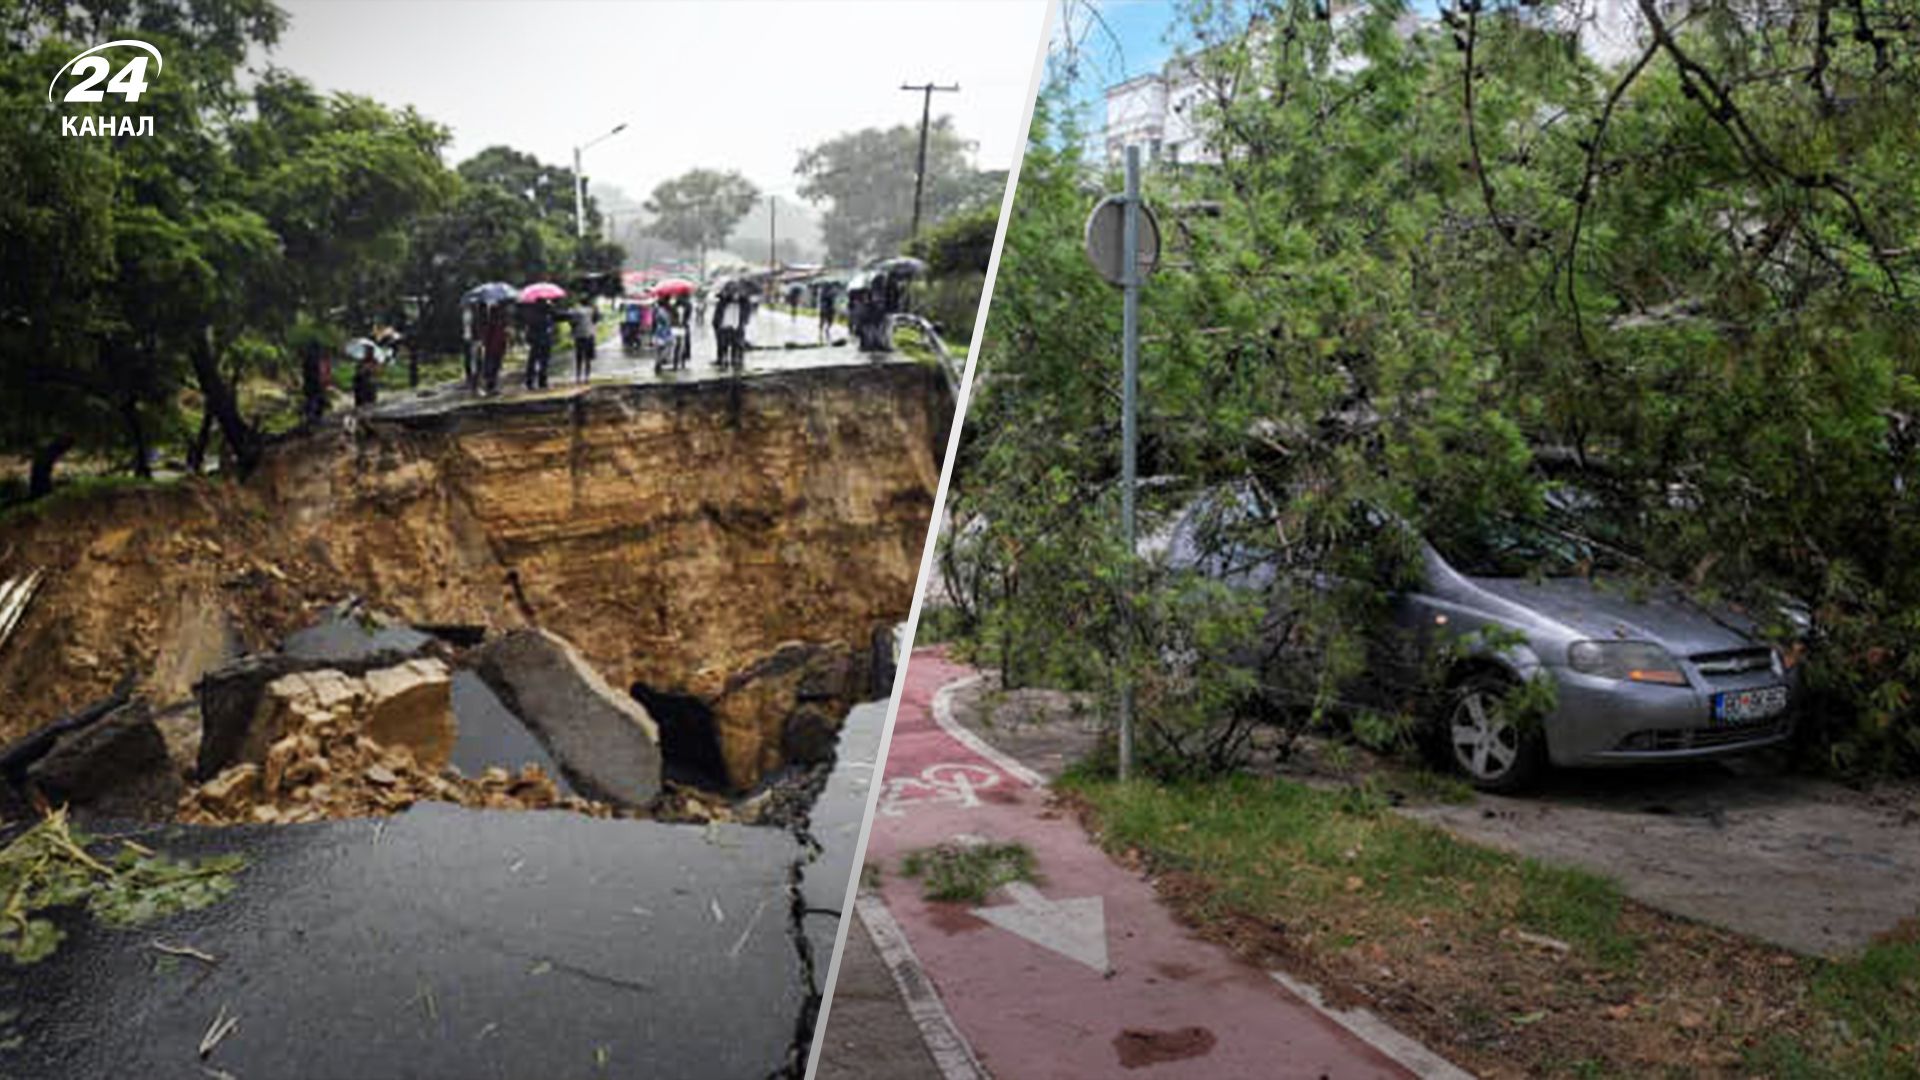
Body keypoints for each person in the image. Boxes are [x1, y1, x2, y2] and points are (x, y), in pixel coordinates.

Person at [523, 300, 553, 389]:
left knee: (534, 362)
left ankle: (532, 382)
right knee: (542, 362)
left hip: (538, 341)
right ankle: (540, 382)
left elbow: (528, 329)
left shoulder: (533, 315)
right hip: (542, 341)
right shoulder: (545, 316)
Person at [481, 304, 508, 396]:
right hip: (496, 348)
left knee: (493, 368)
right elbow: (501, 337)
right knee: (493, 368)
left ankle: (491, 386)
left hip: (493, 348)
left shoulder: (493, 323)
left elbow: (486, 338)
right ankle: (491, 387)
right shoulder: (496, 324)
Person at [569, 301, 597, 382]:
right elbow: (596, 320)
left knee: (579, 357)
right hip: (589, 335)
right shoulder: (592, 310)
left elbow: (572, 322)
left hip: (579, 336)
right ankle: (587, 377)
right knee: (588, 357)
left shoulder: (575, 311)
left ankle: (578, 376)